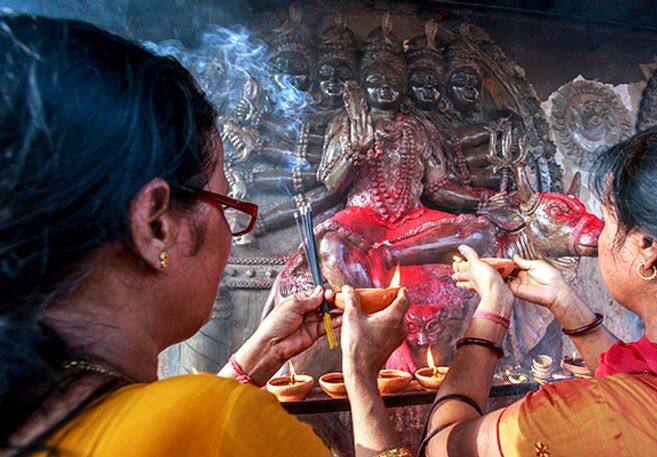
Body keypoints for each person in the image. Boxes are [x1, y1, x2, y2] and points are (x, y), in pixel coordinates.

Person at [0, 15, 412, 456]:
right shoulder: (220, 423)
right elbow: (202, 431)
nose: (232, 233)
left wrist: (255, 359)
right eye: (226, 206)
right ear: (155, 225)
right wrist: (362, 377)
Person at [362, 111, 657, 456]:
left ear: (648, 247)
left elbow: (442, 447)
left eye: (608, 220)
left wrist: (489, 312)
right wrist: (566, 305)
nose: (601, 235)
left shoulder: (599, 418)